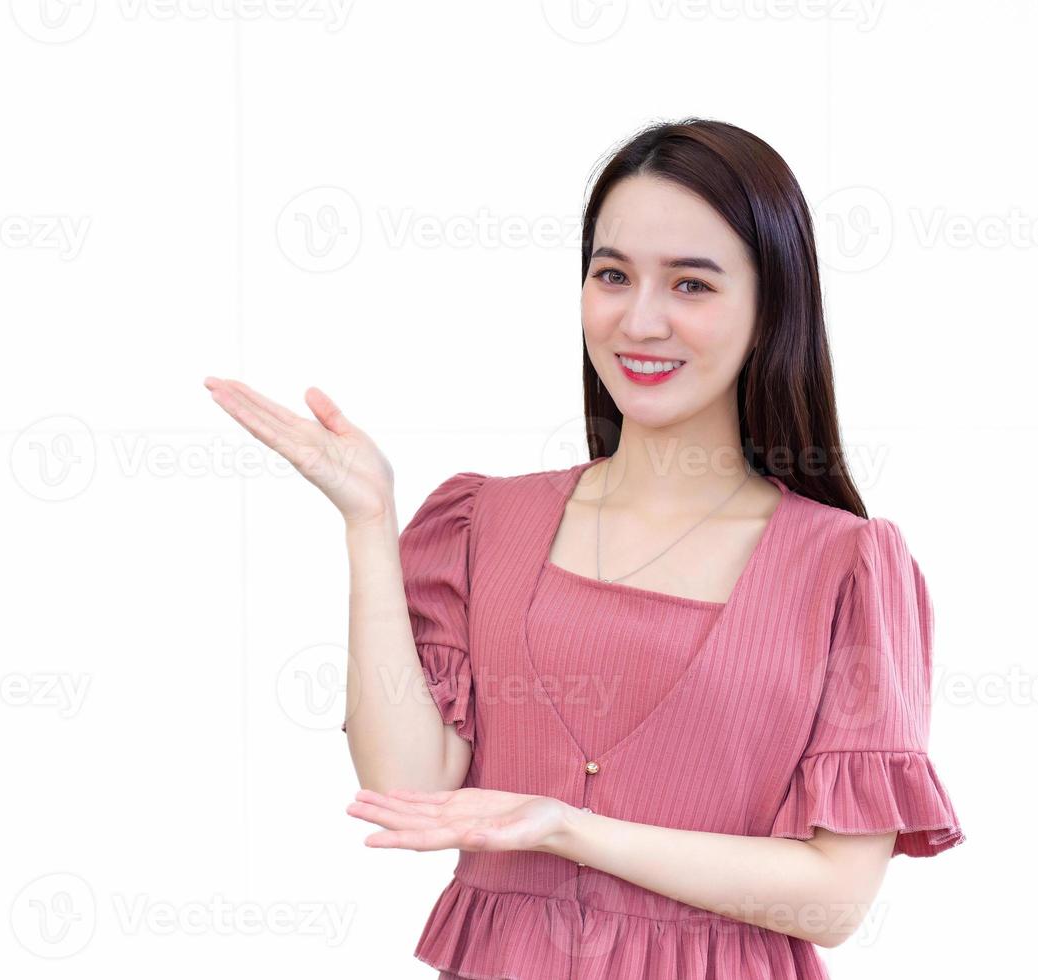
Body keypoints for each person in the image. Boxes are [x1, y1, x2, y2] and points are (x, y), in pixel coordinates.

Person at [203, 117, 964, 980]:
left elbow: (833, 901)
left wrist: (568, 828)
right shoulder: (482, 521)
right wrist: (370, 523)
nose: (641, 320)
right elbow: (409, 787)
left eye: (692, 285)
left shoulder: (846, 567)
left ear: (771, 307)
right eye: (613, 275)